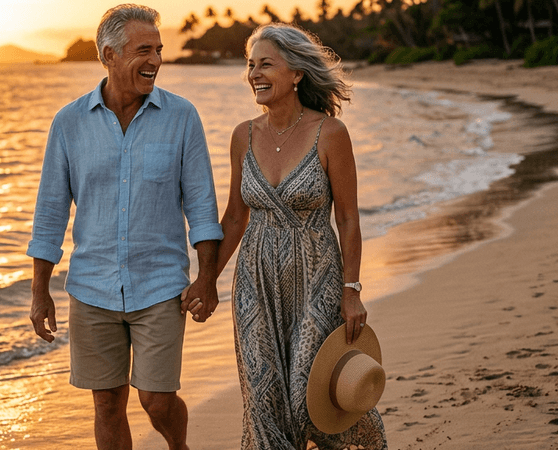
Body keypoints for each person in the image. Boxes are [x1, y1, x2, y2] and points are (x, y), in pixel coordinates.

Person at [26, 4, 222, 450]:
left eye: (158, 49)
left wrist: (206, 278)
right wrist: (40, 291)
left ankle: (179, 447)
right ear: (109, 55)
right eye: (143, 50)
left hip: (160, 285)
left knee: (155, 398)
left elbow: (203, 207)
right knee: (107, 403)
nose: (154, 60)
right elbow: (51, 213)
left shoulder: (182, 116)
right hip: (92, 287)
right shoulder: (69, 123)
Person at [184, 23, 387, 449]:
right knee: (263, 399)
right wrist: (207, 279)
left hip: (317, 276)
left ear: (296, 73)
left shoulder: (329, 134)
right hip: (255, 280)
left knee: (306, 396)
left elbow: (348, 219)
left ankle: (364, 440)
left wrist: (352, 290)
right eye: (250, 65)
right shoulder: (244, 135)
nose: (254, 74)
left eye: (266, 65)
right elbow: (235, 217)